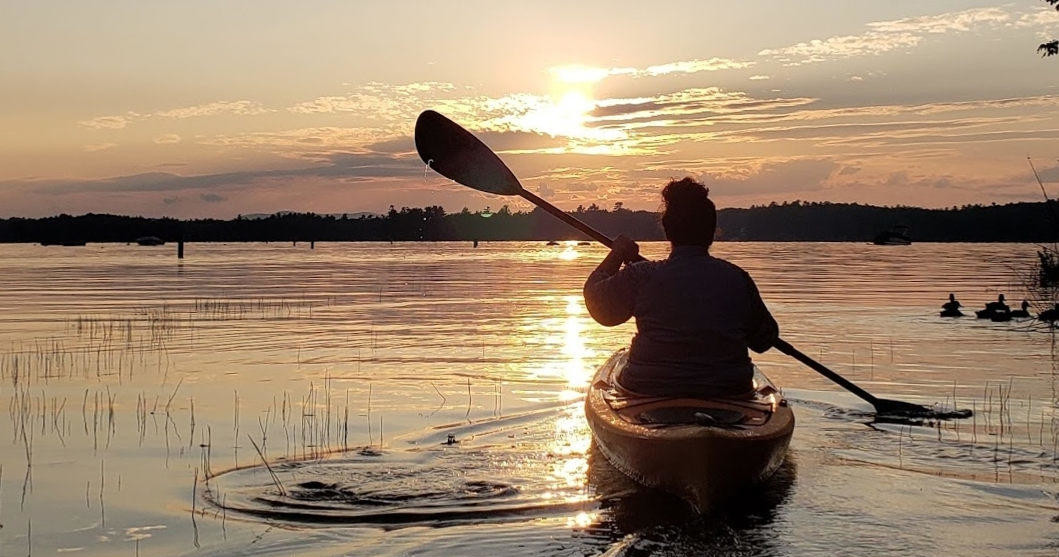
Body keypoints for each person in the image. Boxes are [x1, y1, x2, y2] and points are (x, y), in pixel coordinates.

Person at [582, 177, 778, 398]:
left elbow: (599, 308)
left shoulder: (642, 276)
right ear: (712, 231)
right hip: (728, 390)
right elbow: (763, 340)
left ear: (667, 230)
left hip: (649, 388)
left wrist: (617, 254)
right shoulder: (737, 279)